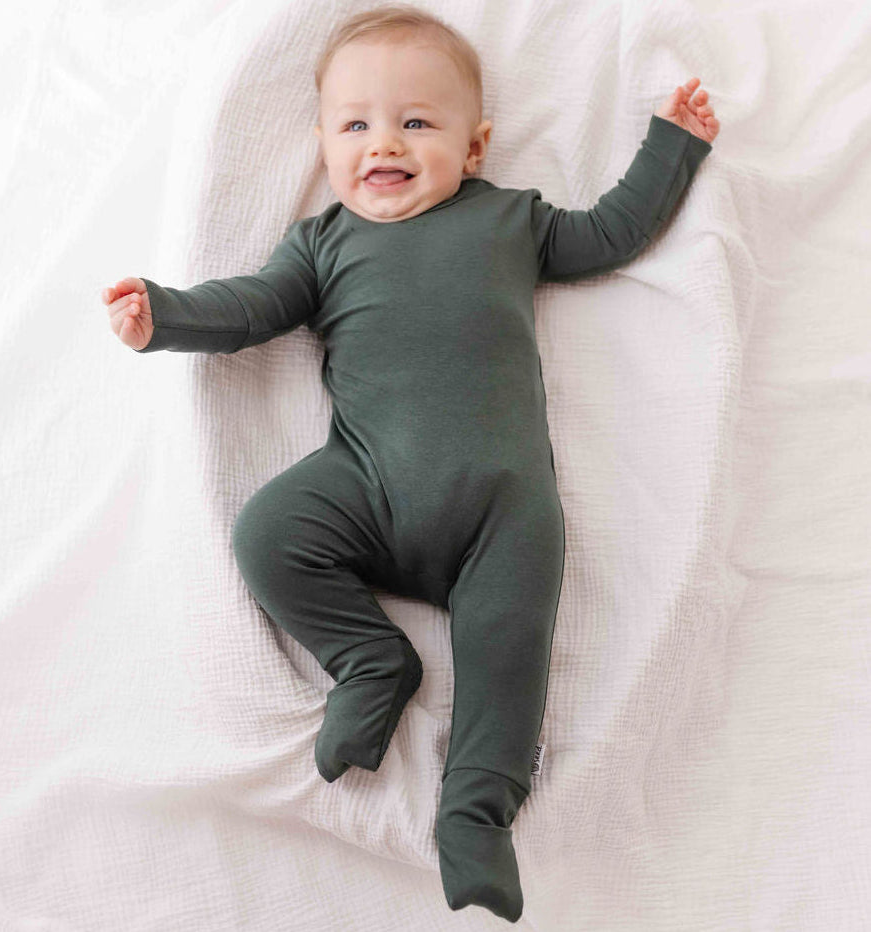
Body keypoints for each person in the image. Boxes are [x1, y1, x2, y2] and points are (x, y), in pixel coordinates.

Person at [102, 3, 718, 922]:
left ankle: (475, 809)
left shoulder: (511, 220)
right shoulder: (321, 244)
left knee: (511, 650)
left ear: (475, 149)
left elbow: (611, 234)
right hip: (366, 490)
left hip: (502, 518)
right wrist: (166, 315)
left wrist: (674, 143)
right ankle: (369, 660)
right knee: (269, 529)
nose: (383, 142)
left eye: (416, 123)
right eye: (355, 125)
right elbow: (253, 307)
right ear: (321, 143)